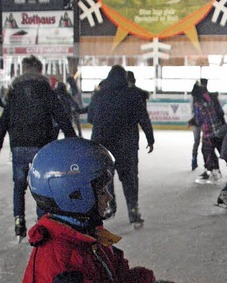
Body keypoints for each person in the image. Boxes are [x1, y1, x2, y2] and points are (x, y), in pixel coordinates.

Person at [23, 138, 157, 283]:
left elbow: (117, 274)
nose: (109, 196)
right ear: (73, 195)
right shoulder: (61, 266)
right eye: (101, 192)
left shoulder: (86, 234)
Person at [0, 55, 77, 242]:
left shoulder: (14, 91)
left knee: (19, 185)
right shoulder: (45, 89)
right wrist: (71, 138)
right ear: (40, 70)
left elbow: (5, 119)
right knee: (40, 185)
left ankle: (19, 221)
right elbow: (60, 114)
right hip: (41, 145)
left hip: (18, 146)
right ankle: (41, 224)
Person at [87, 65, 154, 228]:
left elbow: (90, 118)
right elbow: (143, 118)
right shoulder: (132, 94)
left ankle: (110, 205)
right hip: (126, 144)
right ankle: (133, 209)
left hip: (103, 144)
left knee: (106, 175)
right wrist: (150, 138)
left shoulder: (99, 95)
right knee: (129, 178)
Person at [192, 83, 226, 183]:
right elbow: (219, 112)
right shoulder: (212, 99)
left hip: (209, 131)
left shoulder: (198, 104)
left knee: (207, 150)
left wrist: (194, 121)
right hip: (219, 128)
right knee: (220, 149)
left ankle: (213, 171)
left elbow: (199, 120)